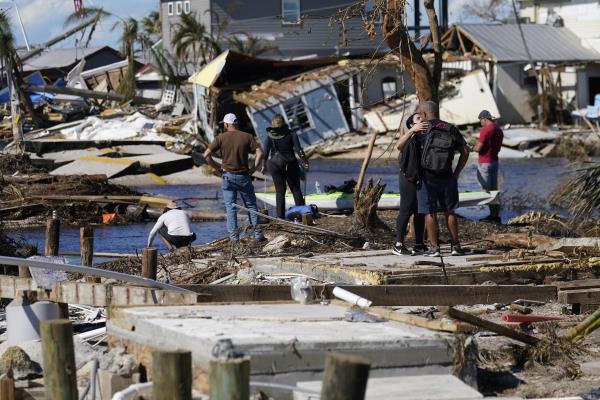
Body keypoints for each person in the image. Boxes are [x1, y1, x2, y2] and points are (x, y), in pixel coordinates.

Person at [415, 101, 470, 257]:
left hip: (426, 177)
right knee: (450, 211)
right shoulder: (449, 128)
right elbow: (465, 151)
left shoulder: (421, 129)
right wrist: (456, 173)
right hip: (447, 176)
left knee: (430, 212)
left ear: (424, 114)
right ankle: (455, 246)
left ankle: (435, 248)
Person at [203, 113, 264, 242]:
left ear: (226, 125)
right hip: (243, 176)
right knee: (251, 206)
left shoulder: (220, 138)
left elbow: (206, 155)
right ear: (236, 123)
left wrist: (217, 167)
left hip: (227, 177)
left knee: (231, 209)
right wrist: (253, 169)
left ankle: (234, 239)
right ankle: (258, 234)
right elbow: (260, 153)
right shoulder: (247, 136)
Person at [392, 112, 428, 255]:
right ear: (412, 124)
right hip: (407, 178)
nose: (422, 120)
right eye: (418, 118)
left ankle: (419, 244)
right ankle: (398, 244)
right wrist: (412, 130)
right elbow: (398, 146)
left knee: (420, 211)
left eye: (422, 118)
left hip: (421, 178)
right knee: (406, 210)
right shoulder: (410, 137)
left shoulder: (425, 137)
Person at [262, 114, 309, 219]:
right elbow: (299, 150)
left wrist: (263, 166)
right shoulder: (291, 134)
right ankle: (303, 215)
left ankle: (280, 217)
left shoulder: (269, 136)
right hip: (290, 164)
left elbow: (265, 154)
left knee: (280, 191)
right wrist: (305, 162)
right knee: (295, 189)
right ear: (284, 123)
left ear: (272, 125)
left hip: (274, 165)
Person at [473, 110, 503, 223]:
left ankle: (492, 216)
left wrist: (473, 147)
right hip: (494, 161)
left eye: (480, 120)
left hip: (485, 163)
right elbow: (498, 147)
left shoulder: (485, 130)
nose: (480, 122)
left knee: (487, 190)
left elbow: (478, 148)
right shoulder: (498, 130)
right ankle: (495, 216)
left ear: (484, 119)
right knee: (494, 189)